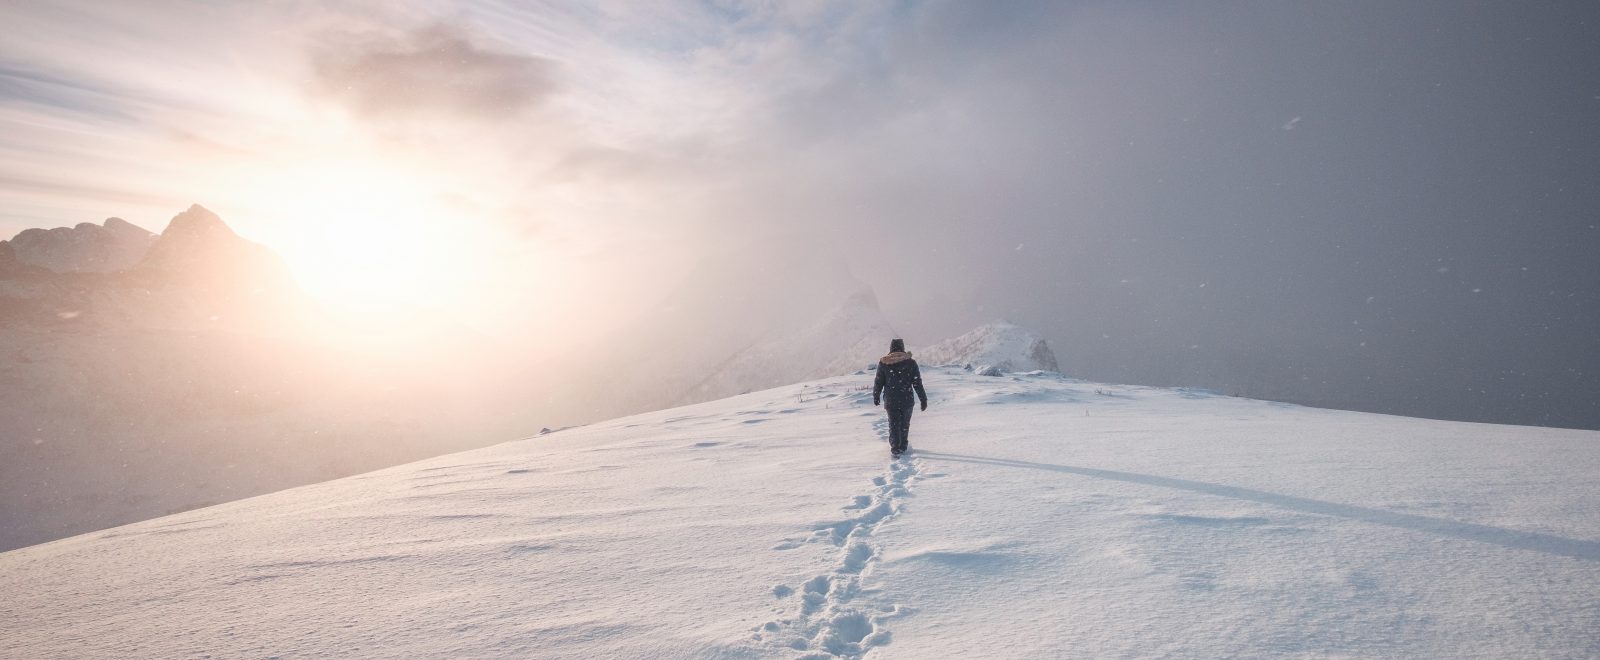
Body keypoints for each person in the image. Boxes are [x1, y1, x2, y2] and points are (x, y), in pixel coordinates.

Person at [873, 338, 928, 458]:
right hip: (907, 399)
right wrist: (923, 399)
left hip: (891, 400)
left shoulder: (884, 363)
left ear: (891, 348)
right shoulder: (911, 363)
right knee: (904, 424)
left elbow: (878, 382)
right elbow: (917, 383)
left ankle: (895, 448)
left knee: (893, 424)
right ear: (902, 348)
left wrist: (876, 395)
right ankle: (902, 446)